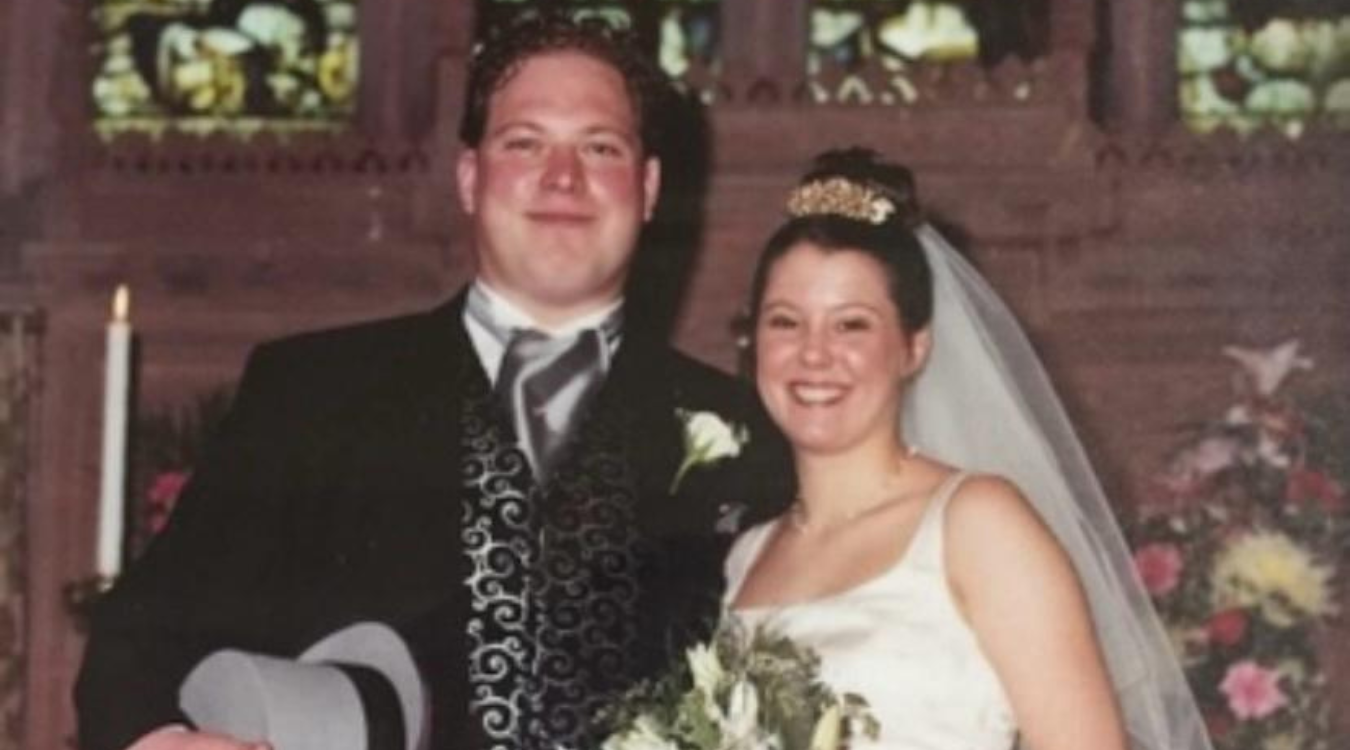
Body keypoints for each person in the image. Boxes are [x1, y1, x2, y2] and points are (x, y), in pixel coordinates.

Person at [75, 15, 789, 750]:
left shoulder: (747, 433)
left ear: (646, 188)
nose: (562, 177)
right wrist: (164, 740)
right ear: (470, 177)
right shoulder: (312, 392)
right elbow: (144, 633)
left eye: (599, 147)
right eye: (525, 143)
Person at [723, 149, 1213, 750]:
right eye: (785, 322)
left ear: (914, 347)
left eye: (851, 324)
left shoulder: (977, 523)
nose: (814, 353)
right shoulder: (748, 555)